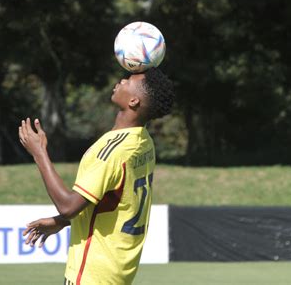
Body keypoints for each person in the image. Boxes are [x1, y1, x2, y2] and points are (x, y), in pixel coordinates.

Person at [18, 67, 174, 285]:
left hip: (91, 275)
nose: (122, 80)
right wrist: (62, 222)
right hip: (116, 275)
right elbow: (113, 203)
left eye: (129, 80)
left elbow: (68, 206)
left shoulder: (112, 151)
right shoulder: (143, 143)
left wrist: (39, 153)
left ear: (133, 102)